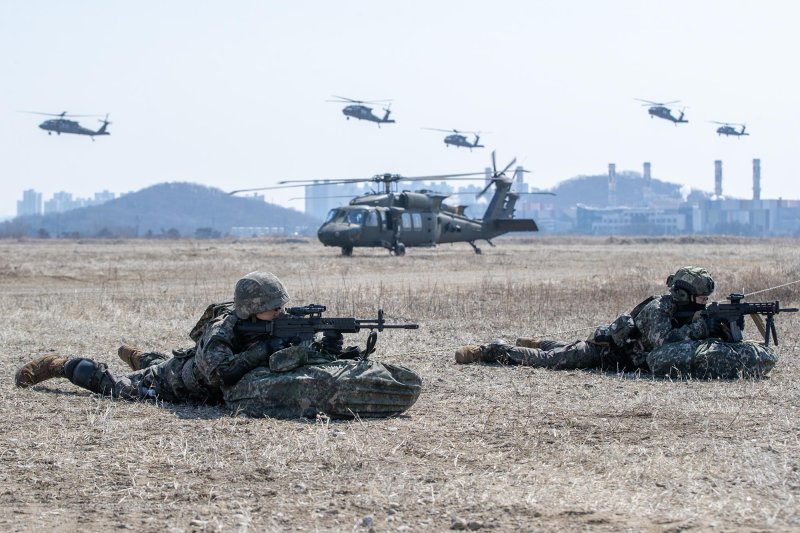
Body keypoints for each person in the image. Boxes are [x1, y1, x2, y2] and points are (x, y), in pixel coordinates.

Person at [15, 271, 326, 404]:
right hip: (172, 385)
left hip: (188, 369)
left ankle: (142, 357)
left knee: (170, 362)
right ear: (253, 309)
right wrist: (266, 349)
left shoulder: (273, 323)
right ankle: (58, 364)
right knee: (115, 387)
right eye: (274, 308)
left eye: (280, 306)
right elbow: (220, 374)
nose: (281, 313)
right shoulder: (222, 330)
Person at [454, 266, 778, 379]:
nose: (704, 305)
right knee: (554, 361)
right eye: (700, 300)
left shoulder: (686, 310)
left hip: (624, 358)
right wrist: (700, 327)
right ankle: (490, 349)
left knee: (558, 349)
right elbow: (661, 346)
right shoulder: (658, 309)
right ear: (683, 295)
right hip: (607, 353)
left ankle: (537, 339)